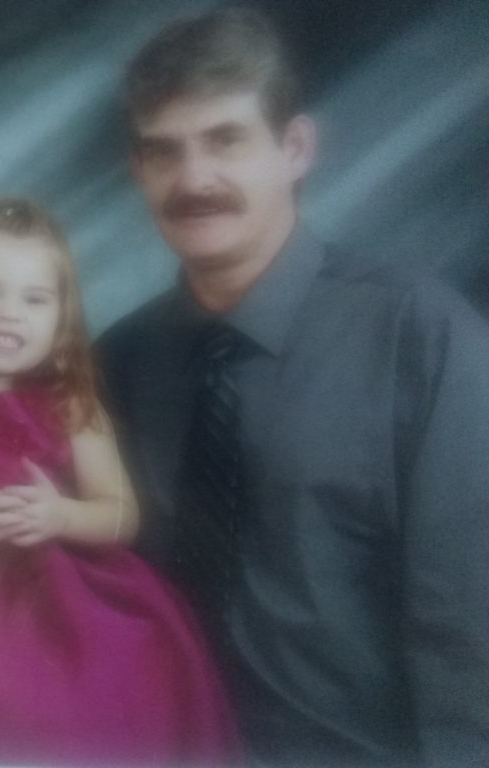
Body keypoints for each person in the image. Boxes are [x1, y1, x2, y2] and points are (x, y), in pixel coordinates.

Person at [95, 7, 489, 768]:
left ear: (296, 147)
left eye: (225, 140)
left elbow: (470, 633)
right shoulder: (118, 365)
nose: (194, 179)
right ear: (138, 171)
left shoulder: (423, 341)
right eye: (163, 151)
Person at [0, 198, 240, 766]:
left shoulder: (69, 404)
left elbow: (121, 513)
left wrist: (61, 515)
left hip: (76, 601)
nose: (10, 314)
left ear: (60, 318)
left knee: (118, 679)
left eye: (35, 299)